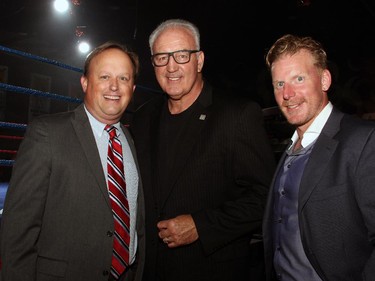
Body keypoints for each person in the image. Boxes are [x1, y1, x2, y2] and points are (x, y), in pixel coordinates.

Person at [129, 18, 276, 281]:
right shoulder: (142, 118)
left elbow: (266, 197)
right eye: (162, 58)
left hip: (210, 270)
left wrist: (201, 225)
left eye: (182, 56)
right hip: (149, 270)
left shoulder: (237, 115)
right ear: (153, 64)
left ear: (199, 61)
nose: (171, 66)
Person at [0, 41, 145, 281]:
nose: (114, 86)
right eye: (105, 76)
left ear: (133, 88)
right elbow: (18, 230)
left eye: (124, 78)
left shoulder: (129, 139)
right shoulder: (46, 134)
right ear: (85, 83)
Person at [262, 34, 375, 281]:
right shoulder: (291, 148)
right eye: (279, 84)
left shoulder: (364, 141)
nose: (287, 93)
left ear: (324, 80)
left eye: (298, 79)